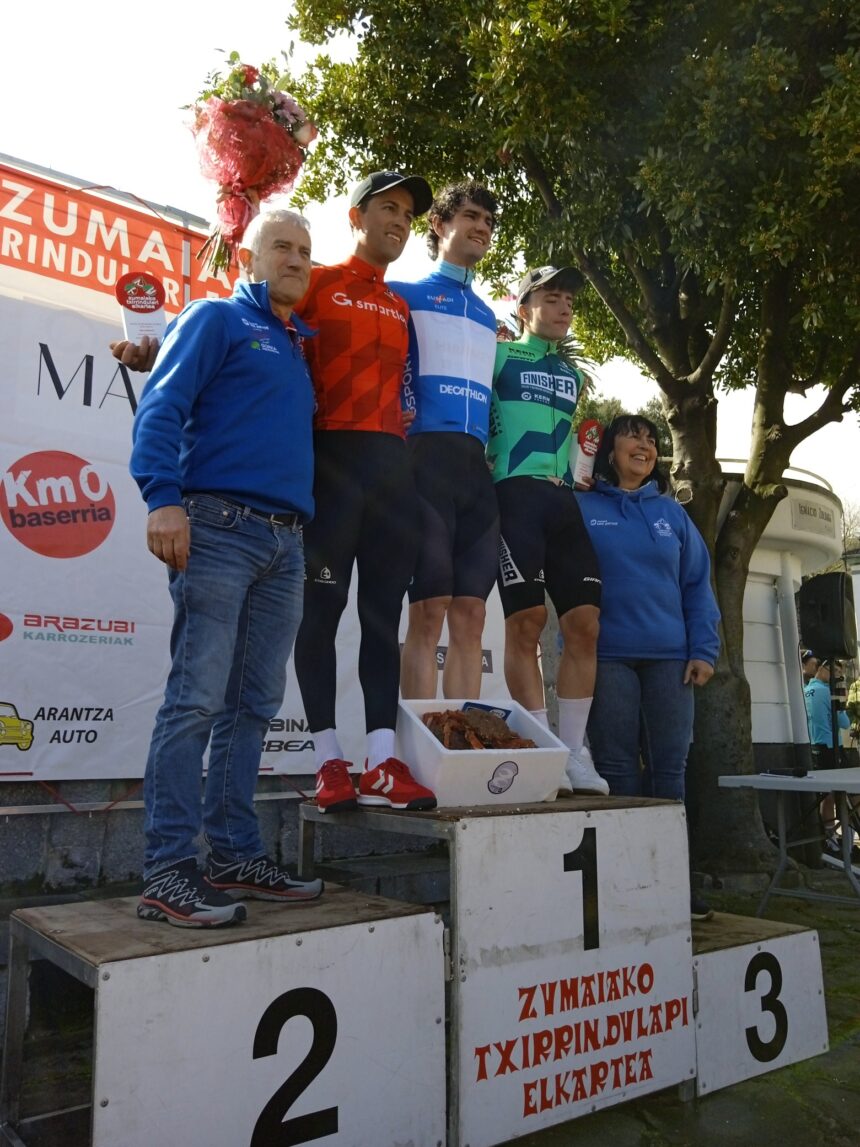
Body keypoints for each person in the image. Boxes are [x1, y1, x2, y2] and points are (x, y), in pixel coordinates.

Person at [127, 210, 324, 927]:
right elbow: (164, 404)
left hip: (285, 543)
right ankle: (169, 868)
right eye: (283, 245)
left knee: (255, 705)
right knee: (196, 698)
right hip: (216, 528)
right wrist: (162, 498)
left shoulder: (297, 345)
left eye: (306, 250)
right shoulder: (214, 317)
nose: (296, 258)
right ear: (250, 255)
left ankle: (236, 851)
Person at [291, 171, 438, 814]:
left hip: (390, 474)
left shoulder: (402, 305)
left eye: (408, 214)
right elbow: (256, 330)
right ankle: (328, 760)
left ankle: (382, 761)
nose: (400, 221)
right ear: (356, 217)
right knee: (320, 614)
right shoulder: (316, 283)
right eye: (387, 207)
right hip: (331, 464)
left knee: (383, 620)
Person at [577, 414, 721, 919]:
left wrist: (703, 650)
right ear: (609, 451)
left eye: (651, 439)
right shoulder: (581, 504)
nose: (644, 444)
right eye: (632, 436)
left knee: (670, 772)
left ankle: (675, 885)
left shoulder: (672, 514)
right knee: (616, 771)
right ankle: (626, 885)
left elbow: (697, 585)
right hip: (607, 654)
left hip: (671, 660)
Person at [487, 266, 605, 794]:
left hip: (561, 500)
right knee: (527, 623)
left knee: (585, 624)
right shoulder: (498, 356)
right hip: (513, 494)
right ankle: (540, 747)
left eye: (568, 302)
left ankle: (574, 752)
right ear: (524, 308)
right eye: (551, 298)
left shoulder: (573, 376)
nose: (563, 308)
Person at [393, 182, 501, 700]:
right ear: (439, 225)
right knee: (428, 611)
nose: (482, 227)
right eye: (472, 216)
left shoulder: (487, 316)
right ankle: (416, 753)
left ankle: (463, 740)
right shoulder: (404, 296)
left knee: (472, 615)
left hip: (475, 470)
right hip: (424, 460)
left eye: (489, 222)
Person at [804, 659, 852, 860]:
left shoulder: (806, 690)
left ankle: (831, 839)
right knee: (846, 795)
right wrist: (842, 701)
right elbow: (844, 722)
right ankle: (847, 843)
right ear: (823, 669)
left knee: (827, 796)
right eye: (834, 673)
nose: (836, 678)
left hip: (815, 746)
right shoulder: (828, 692)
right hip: (832, 747)